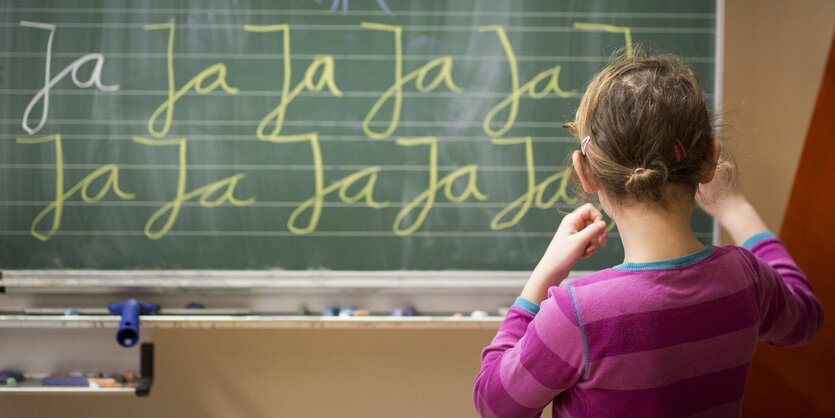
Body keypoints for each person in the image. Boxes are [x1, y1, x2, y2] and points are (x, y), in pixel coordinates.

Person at [472, 54, 823, 417]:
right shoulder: (745, 278)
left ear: (585, 173)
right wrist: (735, 208)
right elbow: (806, 318)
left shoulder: (577, 312)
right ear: (710, 160)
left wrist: (545, 274)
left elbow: (495, 404)